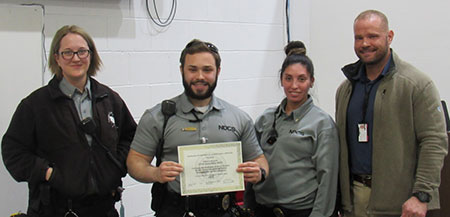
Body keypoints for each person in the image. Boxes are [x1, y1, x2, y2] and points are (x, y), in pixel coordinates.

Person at [2, 25, 137, 217]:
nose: (76, 58)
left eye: (82, 51)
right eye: (67, 52)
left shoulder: (109, 99)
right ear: (56, 57)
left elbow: (131, 137)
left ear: (90, 55)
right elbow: (12, 151)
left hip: (104, 208)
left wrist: (115, 165)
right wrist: (47, 172)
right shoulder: (36, 105)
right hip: (56, 209)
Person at [126, 39, 269, 217]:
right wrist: (155, 173)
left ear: (218, 71)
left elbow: (259, 159)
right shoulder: (158, 117)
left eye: (207, 69)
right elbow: (134, 162)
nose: (200, 76)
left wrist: (259, 172)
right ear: (181, 70)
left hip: (224, 211)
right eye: (192, 69)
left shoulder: (239, 118)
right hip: (175, 210)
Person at [335, 10, 448, 217]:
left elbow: (434, 141)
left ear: (389, 36)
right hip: (354, 201)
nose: (365, 43)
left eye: (372, 36)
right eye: (359, 38)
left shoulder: (417, 85)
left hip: (402, 204)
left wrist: (422, 195)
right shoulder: (346, 89)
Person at [248, 41, 339, 217]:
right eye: (288, 78)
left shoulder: (322, 124)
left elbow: (327, 180)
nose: (294, 86)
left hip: (301, 211)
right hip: (262, 209)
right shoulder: (265, 119)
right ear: (281, 79)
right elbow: (252, 162)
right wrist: (248, 205)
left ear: (311, 81)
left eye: (301, 79)